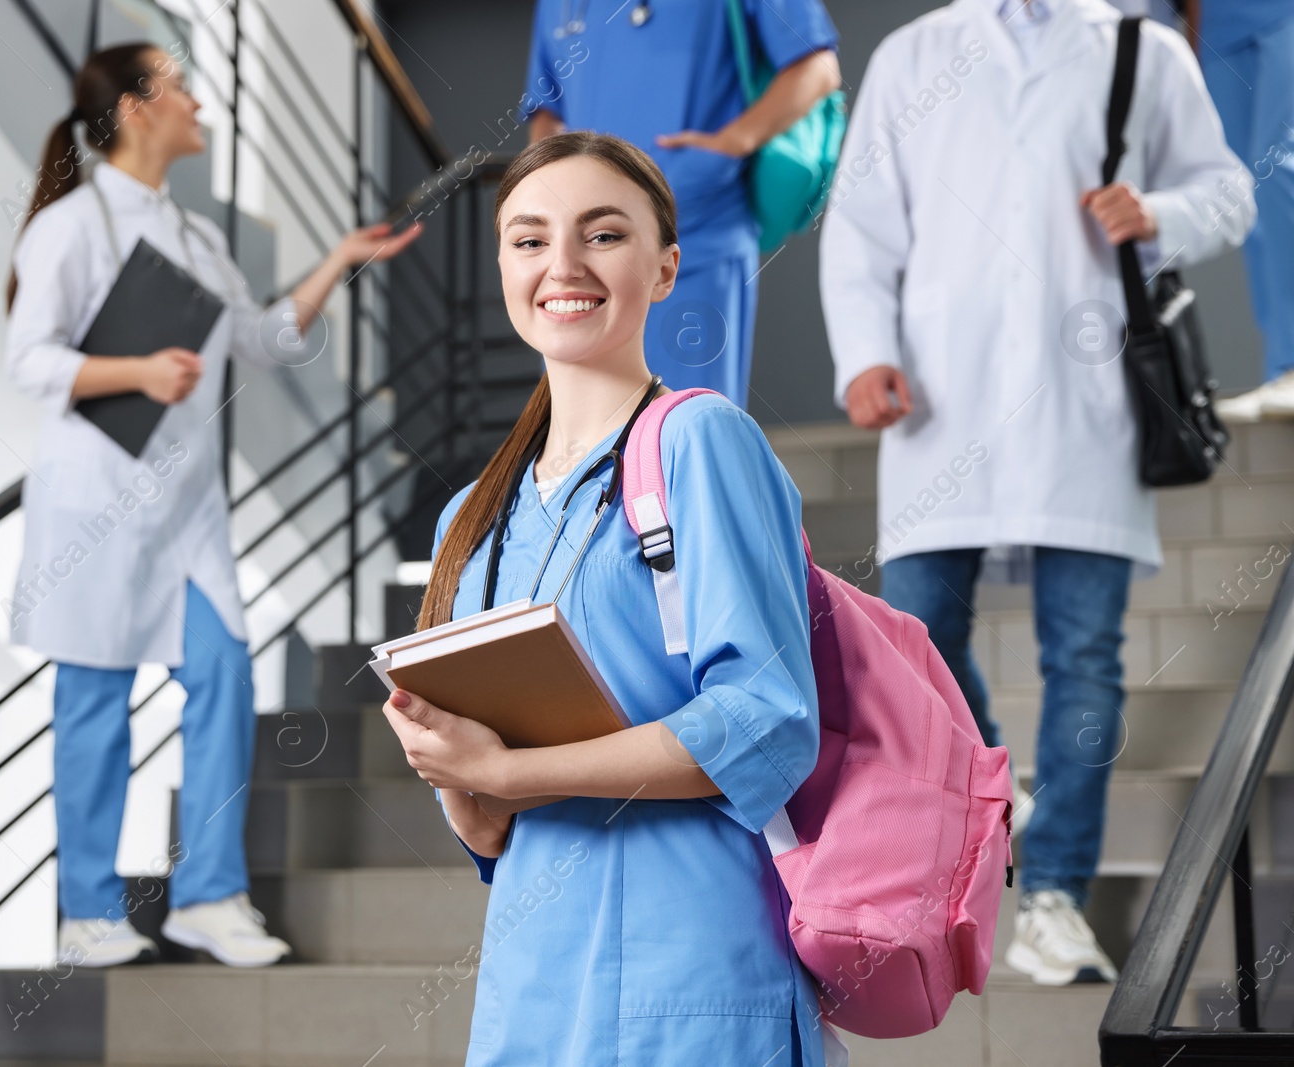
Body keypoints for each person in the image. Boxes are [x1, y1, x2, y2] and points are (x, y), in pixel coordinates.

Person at [820, 0, 1251, 986]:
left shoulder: (1141, 48)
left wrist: (1160, 214)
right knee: (913, 641)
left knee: (1085, 651)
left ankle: (1051, 893)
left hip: (1086, 406)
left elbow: (1228, 190)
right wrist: (866, 354)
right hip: (937, 404)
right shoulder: (912, 54)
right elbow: (861, 224)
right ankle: (995, 785)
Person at [381, 131, 831, 1066]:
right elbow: (489, 831)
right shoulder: (469, 518)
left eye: (604, 234)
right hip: (534, 982)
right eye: (529, 238)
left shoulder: (700, 443)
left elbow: (764, 722)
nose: (563, 266)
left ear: (665, 268)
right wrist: (460, 778)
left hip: (695, 973)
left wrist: (507, 773)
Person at [4, 43, 421, 968]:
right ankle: (88, 914)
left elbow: (265, 337)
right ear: (138, 109)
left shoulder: (194, 238)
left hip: (186, 513)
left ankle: (207, 896)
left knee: (225, 675)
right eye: (180, 85)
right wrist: (138, 370)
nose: (199, 100)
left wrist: (341, 260)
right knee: (95, 702)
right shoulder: (70, 227)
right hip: (97, 508)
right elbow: (28, 358)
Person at [522, 0, 841, 402]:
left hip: (697, 239)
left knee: (685, 433)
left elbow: (818, 66)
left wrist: (733, 142)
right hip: (582, 256)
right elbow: (546, 110)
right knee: (582, 435)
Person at [1184, 0, 1294, 421]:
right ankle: (1280, 370)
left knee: (1279, 172)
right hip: (1219, 27)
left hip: (1281, 14)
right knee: (1243, 197)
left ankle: (1290, 363)